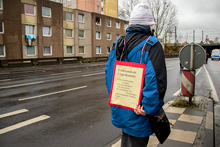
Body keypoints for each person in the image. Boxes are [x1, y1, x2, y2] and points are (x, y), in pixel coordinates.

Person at [105, 3, 167, 147]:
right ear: (149, 25)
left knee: (125, 138)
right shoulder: (152, 45)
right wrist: (148, 108)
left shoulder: (118, 43)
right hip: (139, 113)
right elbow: (156, 81)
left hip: (121, 107)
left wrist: (117, 99)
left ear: (131, 24)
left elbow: (109, 75)